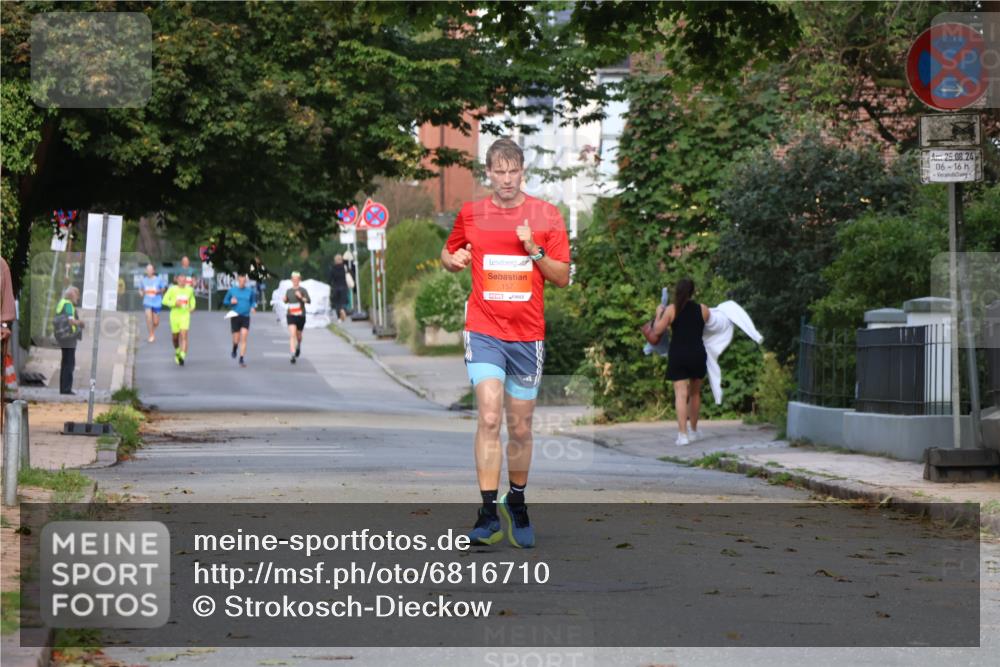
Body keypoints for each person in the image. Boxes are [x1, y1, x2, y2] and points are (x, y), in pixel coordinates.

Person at [441, 137, 570, 549]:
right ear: (489, 173)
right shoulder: (472, 214)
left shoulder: (546, 215)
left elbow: (562, 276)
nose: (508, 179)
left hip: (527, 336)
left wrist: (533, 249)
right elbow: (448, 253)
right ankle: (485, 513)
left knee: (519, 426)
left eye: (514, 171)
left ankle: (516, 501)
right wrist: (453, 260)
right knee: (491, 417)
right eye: (500, 171)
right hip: (483, 330)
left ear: (523, 173)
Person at [649, 278, 711, 446]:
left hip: (678, 354)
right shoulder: (703, 309)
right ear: (693, 292)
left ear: (677, 291)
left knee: (681, 394)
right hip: (697, 353)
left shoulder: (671, 310)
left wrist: (658, 313)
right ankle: (694, 430)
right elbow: (709, 326)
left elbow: (657, 330)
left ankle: (682, 435)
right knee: (695, 393)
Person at [54, 286, 85, 395]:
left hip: (62, 337)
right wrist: (80, 323)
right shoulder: (68, 305)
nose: (78, 297)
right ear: (72, 295)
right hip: (68, 338)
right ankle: (66, 389)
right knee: (69, 363)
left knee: (65, 362)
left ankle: (63, 389)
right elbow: (71, 321)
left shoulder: (62, 302)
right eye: (77, 294)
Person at [223, 273, 257, 367]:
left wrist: (253, 307)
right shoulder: (232, 290)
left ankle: (241, 358)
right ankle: (234, 348)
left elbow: (253, 301)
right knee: (236, 338)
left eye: (244, 280)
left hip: (246, 316)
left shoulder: (250, 291)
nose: (242, 282)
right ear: (238, 280)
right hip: (235, 316)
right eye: (240, 280)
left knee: (244, 337)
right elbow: (225, 301)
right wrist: (231, 302)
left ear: (246, 281)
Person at [162, 274, 196, 365]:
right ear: (177, 281)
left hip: (185, 315)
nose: (183, 282)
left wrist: (192, 307)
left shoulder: (189, 290)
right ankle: (177, 351)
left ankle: (182, 356)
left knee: (184, 335)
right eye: (181, 280)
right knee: (175, 338)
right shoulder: (172, 289)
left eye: (184, 280)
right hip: (174, 315)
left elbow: (192, 299)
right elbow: (164, 301)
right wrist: (174, 303)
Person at [283, 271, 310, 364]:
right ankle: (292, 354)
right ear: (291, 280)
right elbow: (286, 301)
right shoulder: (288, 291)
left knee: (298, 335)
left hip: (300, 315)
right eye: (293, 279)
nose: (295, 281)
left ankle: (298, 345)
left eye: (297, 279)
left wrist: (301, 297)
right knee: (292, 334)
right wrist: (285, 299)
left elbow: (308, 301)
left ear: (299, 280)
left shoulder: (303, 290)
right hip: (290, 315)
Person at [138, 263, 167, 343]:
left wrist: (159, 291)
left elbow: (163, 288)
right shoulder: (143, 280)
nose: (149, 271)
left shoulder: (158, 279)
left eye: (150, 270)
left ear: (153, 271)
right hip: (147, 302)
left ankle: (152, 332)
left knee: (156, 322)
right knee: (148, 317)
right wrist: (141, 293)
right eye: (147, 270)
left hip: (157, 302)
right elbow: (140, 289)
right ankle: (151, 335)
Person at [328, 254, 350, 322]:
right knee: (343, 302)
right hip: (344, 286)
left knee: (337, 303)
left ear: (335, 260)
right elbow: (350, 275)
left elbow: (330, 278)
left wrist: (330, 285)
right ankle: (343, 310)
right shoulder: (345, 267)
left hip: (336, 287)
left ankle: (339, 318)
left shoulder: (333, 268)